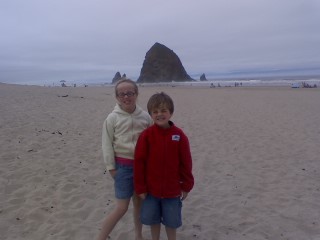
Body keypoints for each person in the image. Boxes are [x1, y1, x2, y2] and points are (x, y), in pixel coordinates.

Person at [134, 92, 194, 240]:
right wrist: (140, 188)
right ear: (150, 114)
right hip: (151, 191)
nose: (159, 114)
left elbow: (186, 162)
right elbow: (139, 162)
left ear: (171, 112)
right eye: (155, 112)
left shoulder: (179, 135)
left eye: (163, 111)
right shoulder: (146, 135)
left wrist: (186, 185)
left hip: (172, 191)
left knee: (171, 222)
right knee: (153, 220)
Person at [98, 79, 153, 240]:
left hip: (142, 168)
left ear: (136, 94)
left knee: (139, 205)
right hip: (122, 168)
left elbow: (152, 142)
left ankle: (138, 236)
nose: (126, 97)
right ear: (117, 97)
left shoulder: (145, 117)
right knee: (121, 208)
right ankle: (101, 237)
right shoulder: (112, 118)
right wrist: (111, 167)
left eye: (130, 93)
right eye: (122, 94)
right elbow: (106, 144)